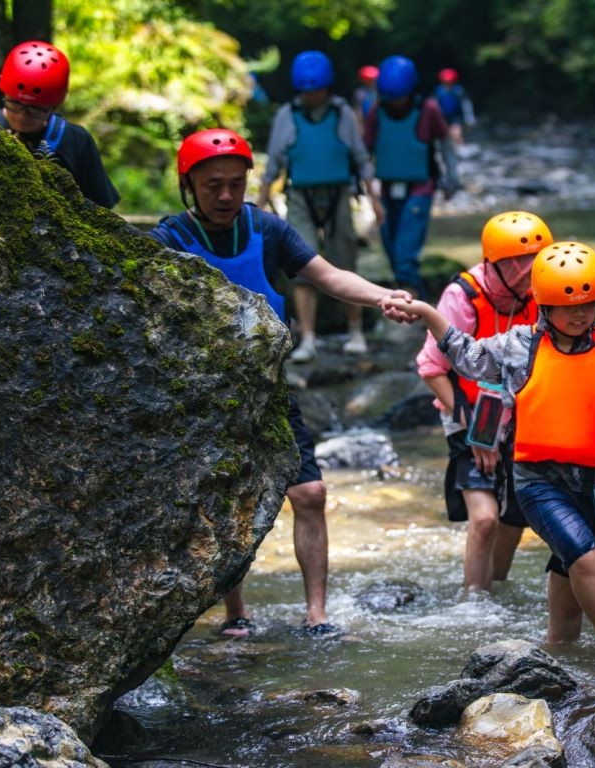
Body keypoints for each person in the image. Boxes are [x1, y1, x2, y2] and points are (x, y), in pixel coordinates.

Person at [148, 128, 415, 638]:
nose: (226, 196)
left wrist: (383, 295)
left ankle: (316, 613)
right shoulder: (171, 239)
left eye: (235, 184)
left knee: (311, 492)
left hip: (269, 392)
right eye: (212, 186)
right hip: (205, 401)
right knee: (223, 505)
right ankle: (235, 612)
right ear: (189, 186)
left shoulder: (267, 230)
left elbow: (329, 276)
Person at [388, 241, 595, 660]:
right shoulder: (520, 347)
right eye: (567, 306)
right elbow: (468, 359)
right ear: (545, 307)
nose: (579, 315)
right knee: (583, 554)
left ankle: (561, 654)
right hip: (539, 480)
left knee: (568, 569)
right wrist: (430, 315)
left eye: (588, 304)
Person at [415, 211, 551, 591]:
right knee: (487, 518)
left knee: (514, 516)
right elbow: (431, 367)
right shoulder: (463, 296)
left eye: (536, 260)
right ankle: (474, 605)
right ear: (494, 262)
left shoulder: (542, 293)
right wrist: (478, 433)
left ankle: (496, 589)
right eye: (518, 261)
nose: (529, 270)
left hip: (519, 414)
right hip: (466, 412)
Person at [257, 50, 386, 362]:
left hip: (338, 195)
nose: (313, 95)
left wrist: (375, 200)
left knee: (345, 261)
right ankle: (308, 338)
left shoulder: (342, 114)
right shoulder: (287, 115)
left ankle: (356, 332)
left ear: (327, 87)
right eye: (307, 90)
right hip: (300, 197)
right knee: (301, 267)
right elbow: (274, 163)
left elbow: (359, 159)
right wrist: (260, 202)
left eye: (317, 89)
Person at [0, 40, 119, 208]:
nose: (23, 115)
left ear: (55, 105)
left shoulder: (75, 140)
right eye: (15, 103)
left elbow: (101, 208)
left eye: (36, 108)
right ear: (5, 93)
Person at [363, 54, 458, 299]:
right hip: (386, 190)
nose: (395, 103)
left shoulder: (428, 110)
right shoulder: (377, 112)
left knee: (405, 255)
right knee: (392, 252)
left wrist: (451, 179)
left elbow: (446, 145)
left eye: (399, 98)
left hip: (420, 189)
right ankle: (413, 302)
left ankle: (417, 308)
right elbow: (364, 150)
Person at [433, 68, 476, 145]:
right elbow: (434, 104)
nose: (448, 83)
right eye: (446, 81)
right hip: (442, 116)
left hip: (455, 116)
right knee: (444, 135)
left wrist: (469, 116)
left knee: (456, 132)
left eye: (450, 81)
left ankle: (460, 149)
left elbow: (466, 104)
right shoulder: (438, 91)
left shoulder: (458, 90)